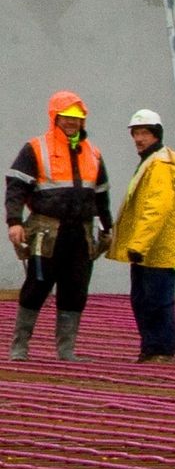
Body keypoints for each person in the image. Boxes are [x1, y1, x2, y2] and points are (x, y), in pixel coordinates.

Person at [6, 91, 112, 363]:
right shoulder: (35, 148)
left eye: (77, 118)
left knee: (75, 289)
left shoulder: (93, 153)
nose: (72, 123)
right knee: (36, 286)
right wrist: (15, 222)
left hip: (81, 234)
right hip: (47, 231)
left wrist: (107, 228)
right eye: (67, 117)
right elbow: (16, 188)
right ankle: (19, 346)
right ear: (55, 117)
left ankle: (66, 350)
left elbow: (101, 195)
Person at [107, 109, 175, 362]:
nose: (138, 138)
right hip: (148, 251)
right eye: (135, 133)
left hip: (156, 250)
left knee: (156, 301)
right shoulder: (151, 162)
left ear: (156, 135)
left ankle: (161, 349)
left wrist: (138, 244)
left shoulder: (158, 166)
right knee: (143, 300)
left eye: (144, 132)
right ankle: (151, 348)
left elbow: (156, 209)